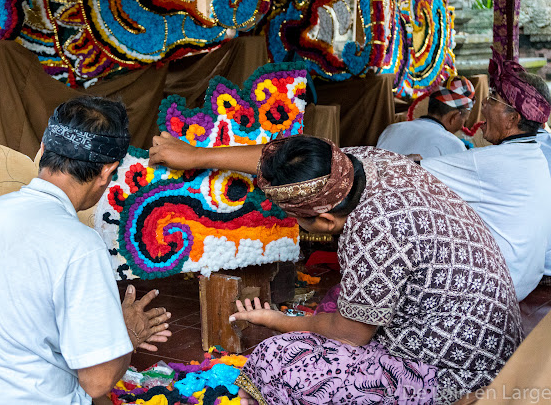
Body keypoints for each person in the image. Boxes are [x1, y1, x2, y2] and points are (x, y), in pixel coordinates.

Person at [150, 132, 522, 404]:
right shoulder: (366, 163)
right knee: (334, 305)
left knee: (276, 359)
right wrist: (195, 154)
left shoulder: (373, 233)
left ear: (325, 222)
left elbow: (348, 336)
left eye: (294, 218)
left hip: (463, 378)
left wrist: (279, 321)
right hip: (491, 339)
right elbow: (286, 163)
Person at [0, 96, 172, 404]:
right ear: (106, 171)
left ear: (42, 150)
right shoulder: (79, 244)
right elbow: (97, 382)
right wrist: (126, 334)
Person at [420, 50, 551, 301]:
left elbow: (412, 172)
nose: (484, 104)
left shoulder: (492, 163)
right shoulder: (534, 154)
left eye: (492, 99)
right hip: (523, 280)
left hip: (499, 287)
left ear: (512, 118)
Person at [377, 76, 475, 157]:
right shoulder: (453, 145)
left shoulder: (391, 130)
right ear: (454, 117)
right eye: (464, 120)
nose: (462, 125)